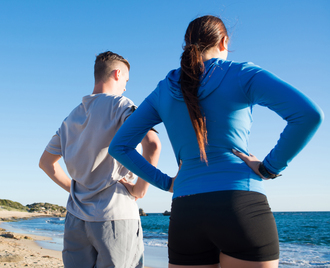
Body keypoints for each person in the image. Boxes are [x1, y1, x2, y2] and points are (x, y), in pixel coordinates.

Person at [109, 15, 324, 268]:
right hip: (240, 205)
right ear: (224, 42)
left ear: (187, 45)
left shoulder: (164, 89)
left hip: (186, 211)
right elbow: (308, 116)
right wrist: (270, 168)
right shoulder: (242, 74)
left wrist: (167, 183)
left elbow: (119, 146)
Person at [39, 51, 161, 268]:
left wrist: (75, 189)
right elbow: (152, 144)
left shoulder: (71, 117)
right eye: (126, 80)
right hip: (116, 214)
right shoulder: (121, 105)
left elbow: (46, 163)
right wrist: (140, 189)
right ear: (117, 74)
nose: (125, 86)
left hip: (76, 218)